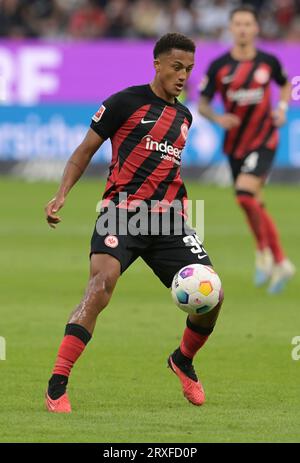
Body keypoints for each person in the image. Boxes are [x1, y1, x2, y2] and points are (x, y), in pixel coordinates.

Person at [44, 33, 223, 413]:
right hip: (121, 213)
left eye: (189, 70)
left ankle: (183, 360)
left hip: (168, 222)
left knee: (213, 297)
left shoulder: (184, 116)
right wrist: (62, 194)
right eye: (176, 67)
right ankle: (58, 383)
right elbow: (83, 152)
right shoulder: (124, 102)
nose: (182, 76)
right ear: (157, 64)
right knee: (100, 286)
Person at [199, 4, 295, 293]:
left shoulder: (269, 61)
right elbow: (203, 103)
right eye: (237, 24)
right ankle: (275, 260)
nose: (242, 29)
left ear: (255, 28)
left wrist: (281, 108)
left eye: (247, 24)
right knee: (253, 202)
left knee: (243, 194)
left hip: (264, 138)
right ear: (230, 28)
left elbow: (286, 84)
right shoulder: (219, 67)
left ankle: (270, 255)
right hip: (235, 144)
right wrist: (217, 117)